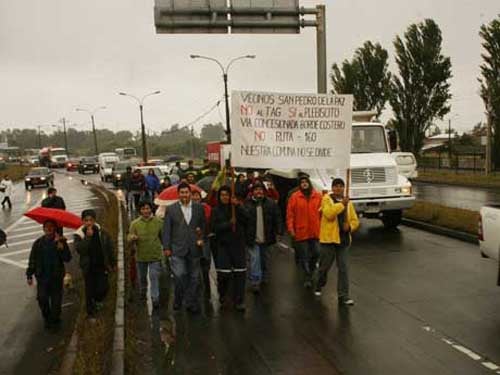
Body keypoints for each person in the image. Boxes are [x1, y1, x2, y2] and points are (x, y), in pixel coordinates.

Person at [315, 178, 360, 305]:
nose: (338, 188)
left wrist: (350, 227)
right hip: (329, 240)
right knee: (324, 267)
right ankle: (319, 283)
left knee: (343, 268)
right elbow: (329, 214)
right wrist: (342, 205)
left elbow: (355, 220)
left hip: (343, 240)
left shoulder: (348, 203)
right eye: (336, 186)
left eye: (341, 186)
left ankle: (343, 295)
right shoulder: (326, 199)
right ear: (332, 188)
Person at [162, 183, 206, 313]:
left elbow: (203, 225)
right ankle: (178, 298)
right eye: (182, 193)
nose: (184, 195)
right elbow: (166, 230)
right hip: (177, 248)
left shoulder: (199, 208)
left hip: (194, 248)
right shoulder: (171, 209)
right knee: (180, 275)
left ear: (190, 194)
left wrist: (201, 236)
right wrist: (166, 247)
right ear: (178, 194)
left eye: (186, 192)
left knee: (194, 277)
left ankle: (190, 302)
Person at [26, 220, 71, 330]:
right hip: (42, 277)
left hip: (56, 277)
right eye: (46, 227)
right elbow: (33, 260)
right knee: (42, 299)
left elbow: (67, 258)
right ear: (43, 228)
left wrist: (61, 248)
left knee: (56, 302)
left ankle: (55, 321)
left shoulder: (61, 242)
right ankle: (47, 318)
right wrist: (29, 275)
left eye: (51, 227)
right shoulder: (38, 243)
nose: (49, 229)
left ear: (55, 229)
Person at [74, 209, 116, 319]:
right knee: (89, 290)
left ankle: (97, 301)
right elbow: (80, 250)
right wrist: (88, 237)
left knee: (104, 288)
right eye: (86, 220)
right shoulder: (79, 234)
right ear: (83, 221)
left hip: (101, 265)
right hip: (88, 267)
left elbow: (109, 247)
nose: (88, 223)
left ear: (94, 220)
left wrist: (113, 262)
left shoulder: (102, 231)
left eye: (91, 220)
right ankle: (90, 313)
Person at [211, 186, 248, 311]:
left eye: (227, 195)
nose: (225, 197)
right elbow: (214, 228)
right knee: (224, 275)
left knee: (240, 273)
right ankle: (223, 295)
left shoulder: (237, 208)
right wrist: (228, 224)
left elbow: (247, 219)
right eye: (222, 195)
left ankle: (239, 300)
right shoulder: (216, 210)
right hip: (223, 246)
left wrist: (238, 206)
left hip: (238, 245)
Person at [244, 180, 283, 292]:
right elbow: (242, 220)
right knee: (255, 259)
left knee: (265, 259)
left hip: (267, 237)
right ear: (252, 192)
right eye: (256, 190)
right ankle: (255, 281)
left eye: (260, 189)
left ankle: (264, 276)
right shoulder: (247, 204)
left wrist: (279, 231)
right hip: (253, 238)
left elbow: (278, 218)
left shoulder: (271, 203)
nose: (259, 191)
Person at [286, 175, 322, 288]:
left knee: (316, 253)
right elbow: (290, 215)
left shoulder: (318, 196)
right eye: (302, 182)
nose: (304, 183)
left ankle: (311, 271)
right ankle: (307, 277)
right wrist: (291, 229)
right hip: (301, 232)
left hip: (315, 232)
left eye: (306, 181)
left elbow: (323, 214)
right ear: (299, 184)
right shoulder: (294, 197)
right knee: (304, 256)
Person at [128, 201, 164, 309]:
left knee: (154, 276)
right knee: (142, 278)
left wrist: (166, 248)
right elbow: (129, 236)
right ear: (140, 210)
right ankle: (143, 292)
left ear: (151, 209)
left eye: (148, 208)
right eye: (143, 209)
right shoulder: (135, 223)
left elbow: (163, 237)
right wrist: (132, 237)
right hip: (141, 256)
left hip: (155, 255)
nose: (146, 211)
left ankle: (155, 298)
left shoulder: (158, 222)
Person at [191, 190, 212, 301]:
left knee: (205, 264)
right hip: (192, 240)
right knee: (194, 265)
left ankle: (206, 290)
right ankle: (196, 289)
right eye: (193, 196)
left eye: (197, 196)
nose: (195, 198)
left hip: (205, 239)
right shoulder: (187, 209)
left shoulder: (206, 208)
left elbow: (210, 221)